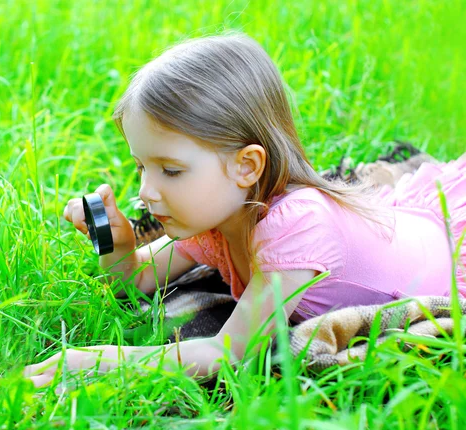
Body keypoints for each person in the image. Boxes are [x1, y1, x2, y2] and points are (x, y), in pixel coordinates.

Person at [24, 33, 466, 388]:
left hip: (447, 251)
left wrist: (106, 360)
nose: (147, 192)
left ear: (246, 166)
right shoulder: (212, 219)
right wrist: (118, 246)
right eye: (142, 166)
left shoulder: (296, 227)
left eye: (171, 170)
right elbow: (135, 279)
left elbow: (228, 352)